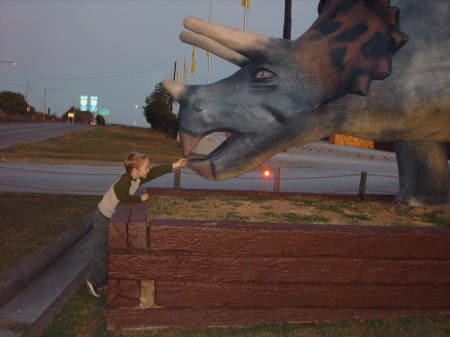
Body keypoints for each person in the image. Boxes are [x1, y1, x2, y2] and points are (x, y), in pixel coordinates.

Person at [85, 151, 187, 297]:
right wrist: (140, 198)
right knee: (101, 249)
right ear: (135, 170)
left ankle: (101, 280)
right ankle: (93, 280)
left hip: (110, 215)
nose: (148, 170)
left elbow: (156, 172)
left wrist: (176, 165)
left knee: (109, 248)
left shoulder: (137, 178)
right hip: (104, 215)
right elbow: (122, 197)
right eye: (145, 167)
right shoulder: (124, 181)